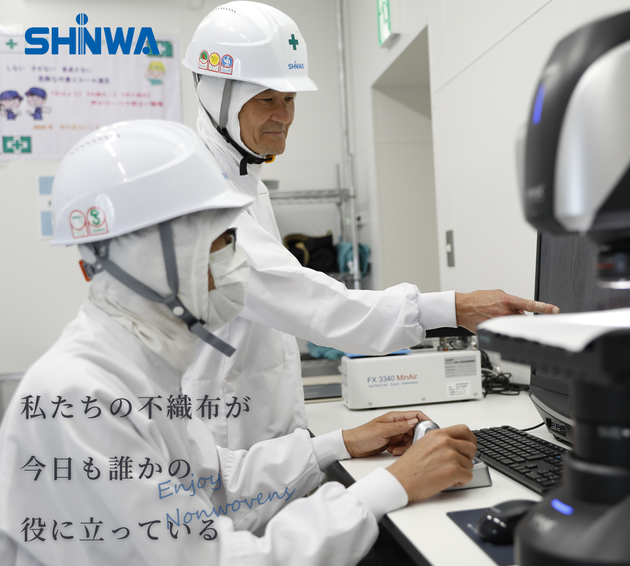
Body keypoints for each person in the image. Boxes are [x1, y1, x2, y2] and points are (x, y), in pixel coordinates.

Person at [0, 120, 477, 566]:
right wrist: (391, 487)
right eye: (217, 242)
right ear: (147, 257)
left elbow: (216, 481)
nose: (234, 263)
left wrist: (340, 443)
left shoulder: (139, 365)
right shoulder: (79, 396)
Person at [181, 1, 560, 452]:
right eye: (267, 99)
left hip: (267, 441)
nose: (284, 115)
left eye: (290, 99)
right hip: (224, 447)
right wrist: (456, 308)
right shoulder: (199, 195)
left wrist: (331, 443)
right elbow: (306, 301)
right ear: (217, 96)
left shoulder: (247, 184)